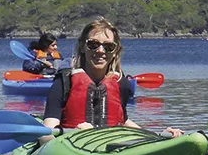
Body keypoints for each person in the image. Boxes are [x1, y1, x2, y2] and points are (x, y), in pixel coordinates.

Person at [40, 18, 182, 142]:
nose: (100, 51)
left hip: (110, 148)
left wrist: (158, 136)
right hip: (72, 147)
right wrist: (75, 136)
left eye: (108, 46)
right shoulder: (64, 83)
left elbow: (123, 121)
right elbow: (46, 136)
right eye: (93, 44)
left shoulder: (122, 84)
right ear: (83, 47)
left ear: (115, 52)